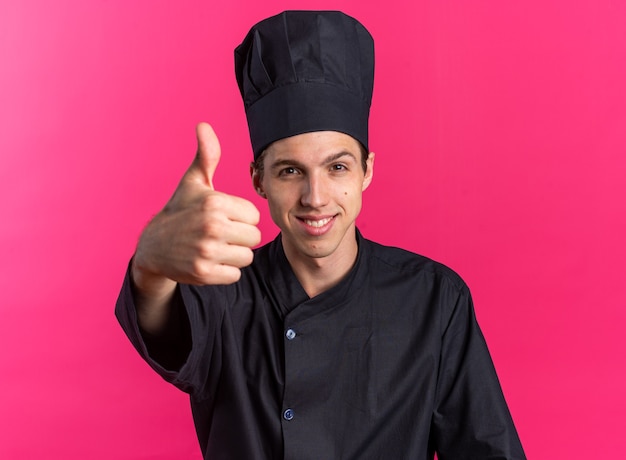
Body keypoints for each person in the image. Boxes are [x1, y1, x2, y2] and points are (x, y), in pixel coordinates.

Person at [116, 10, 526, 460]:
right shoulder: (223, 291)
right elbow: (163, 329)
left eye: (337, 167)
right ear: (259, 180)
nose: (315, 197)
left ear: (366, 171)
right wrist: (149, 263)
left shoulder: (435, 301)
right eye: (291, 171)